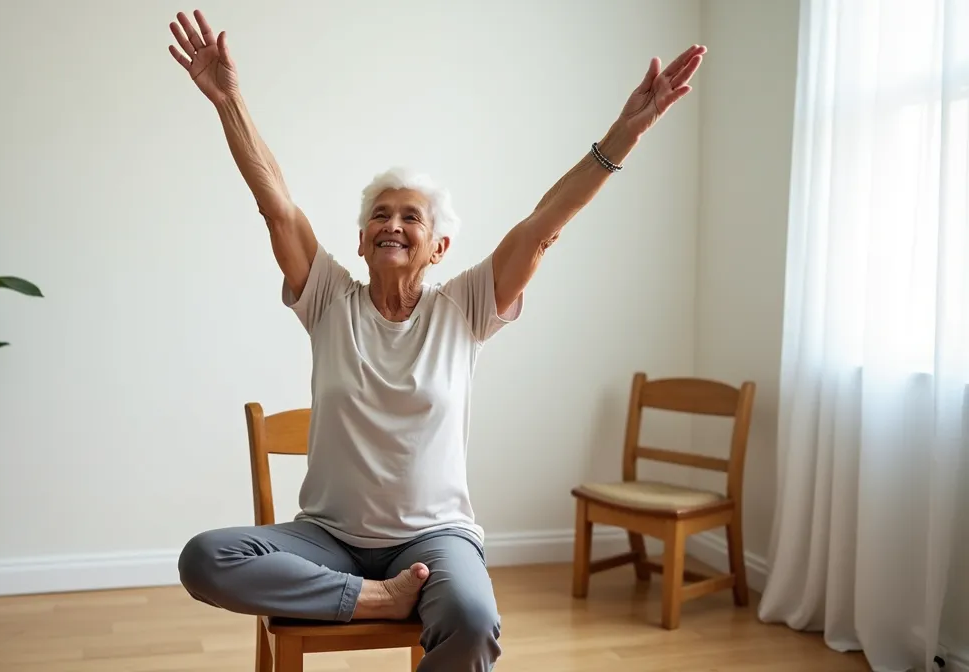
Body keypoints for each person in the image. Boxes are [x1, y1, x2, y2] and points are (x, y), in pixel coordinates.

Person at [167, 9, 704, 671]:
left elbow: (543, 227)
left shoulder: (464, 307)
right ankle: (373, 599)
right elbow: (275, 201)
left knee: (473, 622)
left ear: (439, 246)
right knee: (205, 558)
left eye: (410, 216)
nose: (392, 224)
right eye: (379, 216)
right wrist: (229, 100)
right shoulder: (330, 297)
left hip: (434, 539)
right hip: (327, 540)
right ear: (361, 240)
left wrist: (622, 136)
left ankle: (384, 594)